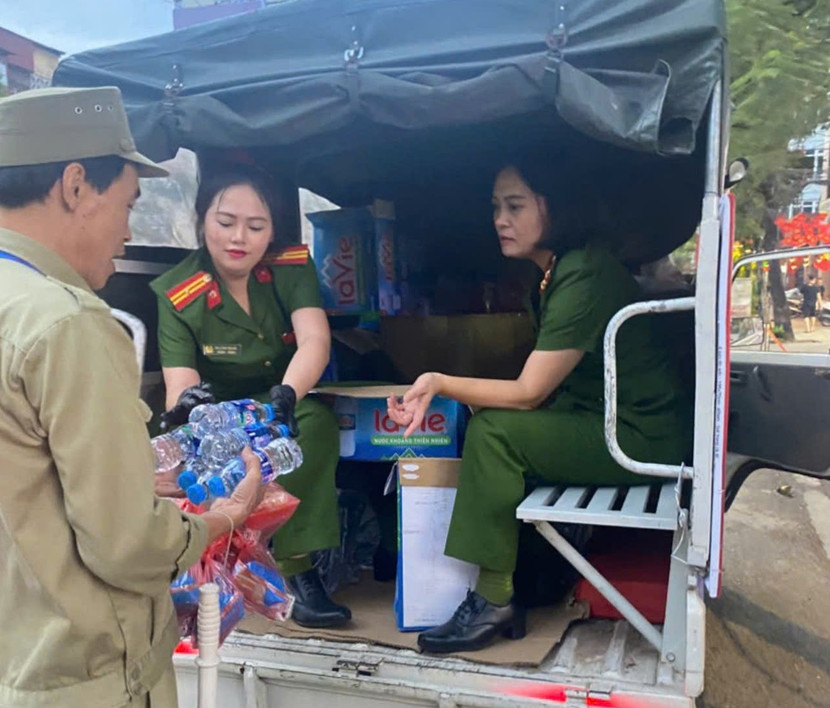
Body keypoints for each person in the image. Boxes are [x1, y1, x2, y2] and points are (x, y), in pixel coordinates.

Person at [0, 87, 262, 708]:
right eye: (127, 204)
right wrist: (223, 518)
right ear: (73, 186)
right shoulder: (67, 323)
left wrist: (134, 475)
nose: (128, 230)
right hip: (85, 680)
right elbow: (126, 547)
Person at [387, 159, 691, 654]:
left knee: (495, 434)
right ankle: (525, 577)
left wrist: (439, 381)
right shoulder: (553, 272)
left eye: (514, 206)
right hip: (601, 418)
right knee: (491, 422)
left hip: (640, 435)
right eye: (495, 208)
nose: (499, 220)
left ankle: (493, 600)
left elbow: (530, 391)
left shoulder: (584, 274)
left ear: (557, 207)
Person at [149, 162, 350, 628]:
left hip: (280, 398)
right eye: (225, 222)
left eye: (256, 226)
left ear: (272, 231)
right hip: (216, 414)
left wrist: (287, 395)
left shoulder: (290, 269)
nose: (239, 237)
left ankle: (298, 567)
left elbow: (314, 341)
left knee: (316, 424)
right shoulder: (177, 291)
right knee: (198, 466)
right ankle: (221, 564)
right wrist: (185, 415)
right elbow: (180, 381)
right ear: (202, 222)